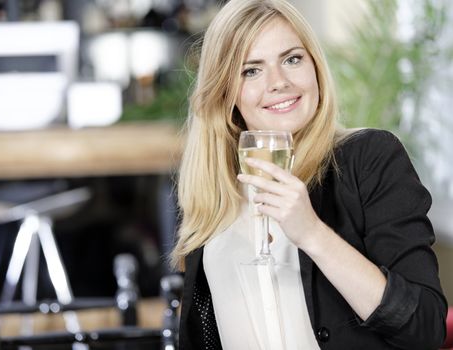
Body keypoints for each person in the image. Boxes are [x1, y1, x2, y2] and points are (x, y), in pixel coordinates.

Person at [170, 0, 448, 349]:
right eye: (251, 70)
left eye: (292, 59)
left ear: (315, 66)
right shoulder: (212, 190)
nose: (279, 82)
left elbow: (424, 328)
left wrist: (313, 234)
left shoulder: (369, 158)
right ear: (225, 91)